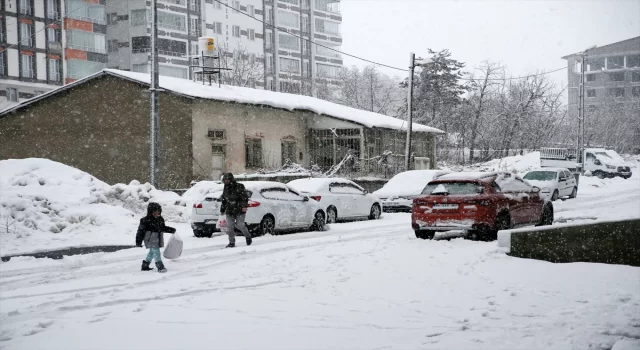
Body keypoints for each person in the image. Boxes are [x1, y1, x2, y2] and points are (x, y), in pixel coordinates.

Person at [135, 202, 176, 273]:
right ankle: (160, 266)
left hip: (158, 238)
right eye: (155, 211)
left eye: (158, 211)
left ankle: (145, 265)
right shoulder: (145, 220)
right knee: (156, 251)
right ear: (150, 212)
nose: (157, 213)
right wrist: (138, 241)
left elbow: (162, 228)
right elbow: (140, 231)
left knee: (151, 252)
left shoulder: (160, 219)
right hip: (150, 239)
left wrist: (171, 230)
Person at [220, 173, 252, 248]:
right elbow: (224, 199)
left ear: (231, 179)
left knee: (240, 225)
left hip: (239, 209)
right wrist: (222, 209)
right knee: (229, 227)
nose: (226, 181)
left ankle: (248, 236)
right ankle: (231, 242)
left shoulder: (239, 186)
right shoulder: (225, 187)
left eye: (228, 179)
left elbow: (244, 197)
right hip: (229, 210)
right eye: (225, 180)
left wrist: (244, 206)